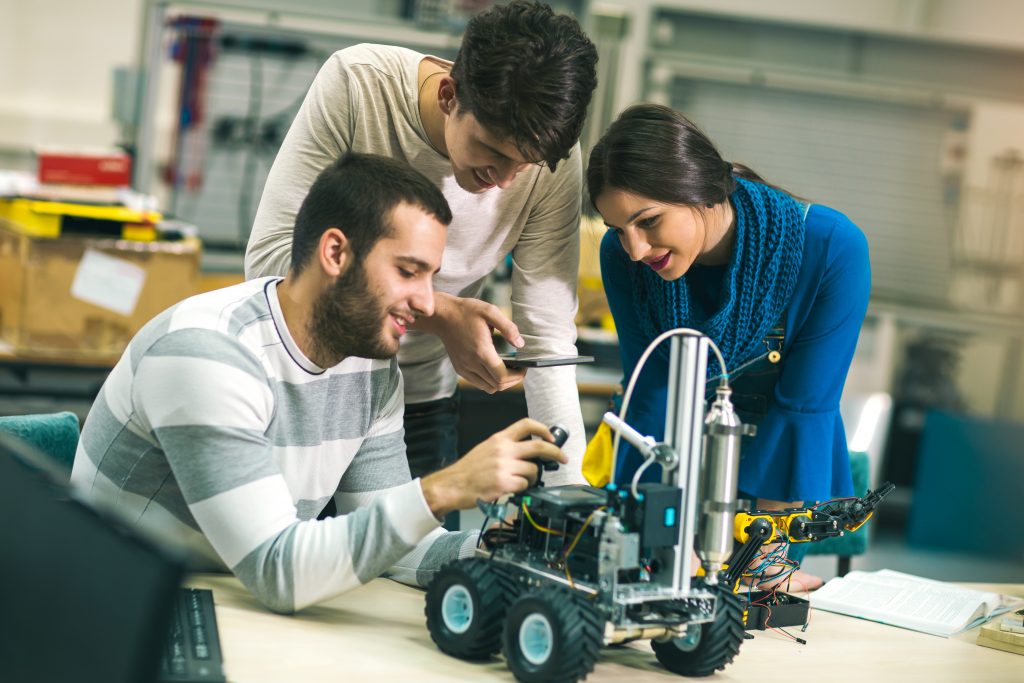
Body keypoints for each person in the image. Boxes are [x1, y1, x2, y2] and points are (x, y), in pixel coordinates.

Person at [70, 153, 566, 613]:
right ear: (335, 253)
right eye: (408, 272)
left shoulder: (369, 365)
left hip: (223, 600)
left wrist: (504, 545)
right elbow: (278, 570)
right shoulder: (207, 353)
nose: (429, 303)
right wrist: (449, 486)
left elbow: (398, 546)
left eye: (430, 277)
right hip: (111, 608)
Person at [245, 1, 598, 486]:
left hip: (417, 405)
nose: (504, 180)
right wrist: (440, 315)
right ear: (450, 95)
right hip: (304, 390)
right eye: (493, 151)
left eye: (526, 164)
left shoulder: (550, 155)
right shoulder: (359, 85)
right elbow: (270, 265)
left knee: (424, 561)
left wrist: (569, 493)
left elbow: (548, 336)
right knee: (300, 556)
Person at [586, 104, 871, 589]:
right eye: (618, 229)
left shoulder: (830, 248)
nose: (634, 249)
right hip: (671, 470)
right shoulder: (623, 258)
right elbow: (650, 390)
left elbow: (802, 407)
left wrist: (765, 555)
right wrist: (635, 529)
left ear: (700, 191)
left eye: (648, 221)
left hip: (772, 493)